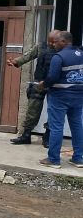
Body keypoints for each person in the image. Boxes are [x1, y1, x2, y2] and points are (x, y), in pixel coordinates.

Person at [6, 30, 60, 146]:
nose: (51, 44)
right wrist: (15, 61)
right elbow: (28, 55)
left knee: (53, 111)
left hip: (55, 85)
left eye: (53, 42)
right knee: (32, 110)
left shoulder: (63, 49)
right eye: (49, 41)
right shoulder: (41, 46)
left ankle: (48, 136)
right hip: (38, 82)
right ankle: (26, 135)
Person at [38, 31, 83, 168]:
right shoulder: (81, 54)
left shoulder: (58, 57)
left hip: (60, 96)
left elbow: (52, 77)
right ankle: (78, 158)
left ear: (64, 42)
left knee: (56, 127)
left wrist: (43, 85)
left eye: (55, 42)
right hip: (78, 95)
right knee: (77, 126)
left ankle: (53, 159)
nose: (53, 44)